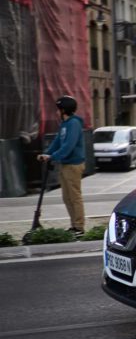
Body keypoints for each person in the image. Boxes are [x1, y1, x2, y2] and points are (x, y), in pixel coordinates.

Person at [38, 96, 86, 237]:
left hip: (73, 165)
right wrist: (46, 154)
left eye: (58, 109)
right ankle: (74, 225)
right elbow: (57, 142)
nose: (56, 112)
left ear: (63, 110)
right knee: (67, 197)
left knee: (75, 197)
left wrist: (52, 157)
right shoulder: (64, 124)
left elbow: (68, 146)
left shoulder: (74, 124)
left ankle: (79, 227)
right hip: (65, 164)